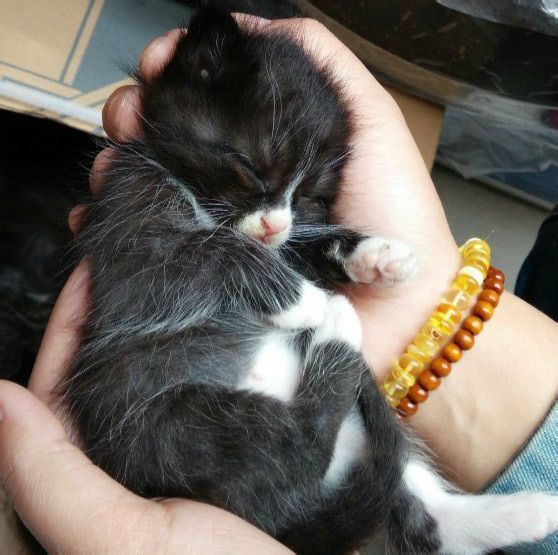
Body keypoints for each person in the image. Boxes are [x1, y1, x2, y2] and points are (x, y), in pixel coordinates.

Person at [0, 15, 555, 554]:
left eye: (302, 195)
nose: (279, 219)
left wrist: (344, 254)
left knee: (341, 390)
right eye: (253, 174)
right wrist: (285, 294)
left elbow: (285, 262)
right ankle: (367, 477)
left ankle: (425, 516)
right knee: (325, 385)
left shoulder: (252, 202)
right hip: (167, 392)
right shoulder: (142, 184)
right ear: (195, 84)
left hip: (249, 378)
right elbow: (171, 266)